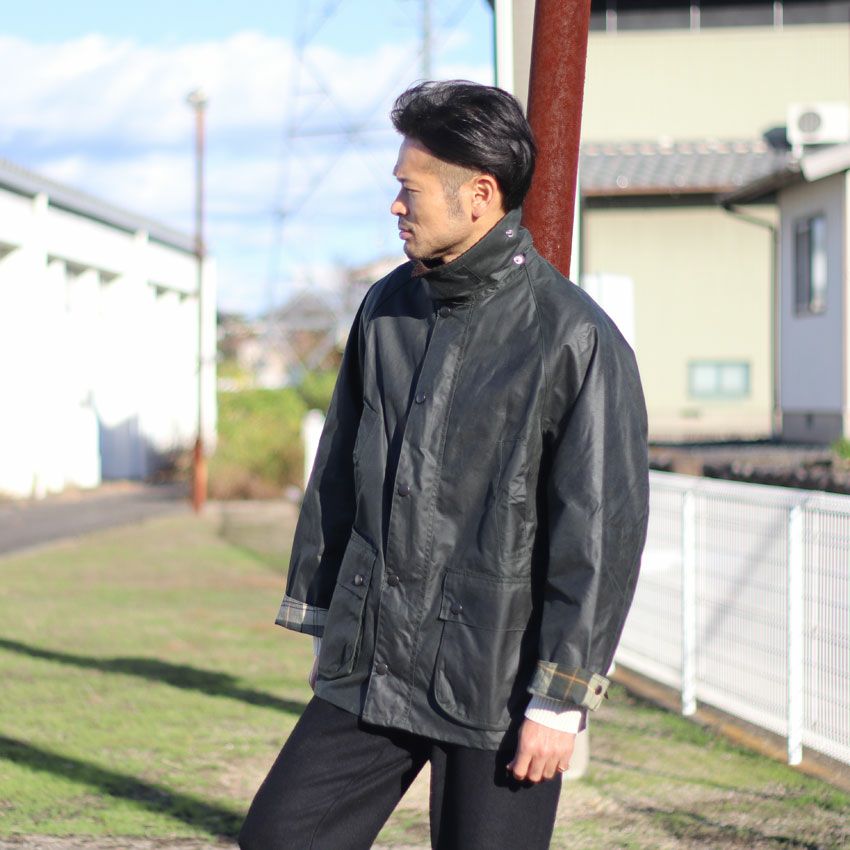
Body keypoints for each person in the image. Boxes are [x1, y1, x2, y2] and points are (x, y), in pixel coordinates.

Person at [239, 80, 649, 850]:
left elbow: (598, 533)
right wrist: (330, 624)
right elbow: (338, 471)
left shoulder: (573, 338)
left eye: (410, 189)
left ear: (479, 196)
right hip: (375, 663)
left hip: (498, 682)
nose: (395, 205)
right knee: (280, 836)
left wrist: (560, 700)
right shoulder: (386, 308)